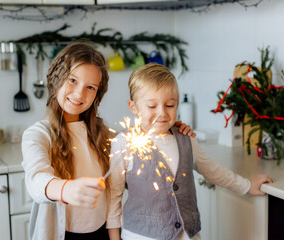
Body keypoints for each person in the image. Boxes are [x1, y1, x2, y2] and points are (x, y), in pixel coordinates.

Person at [21, 43, 194, 240]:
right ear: (56, 78)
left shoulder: (106, 135)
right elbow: (36, 180)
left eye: (90, 87)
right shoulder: (38, 135)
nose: (79, 93)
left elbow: (134, 173)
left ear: (97, 94)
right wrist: (64, 189)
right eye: (72, 80)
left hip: (103, 233)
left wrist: (169, 130)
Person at [107, 63, 274, 240]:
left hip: (188, 235)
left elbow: (211, 170)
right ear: (133, 107)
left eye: (170, 105)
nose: (162, 113)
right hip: (140, 236)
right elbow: (113, 195)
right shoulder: (123, 143)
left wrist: (246, 185)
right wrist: (114, 237)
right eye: (152, 106)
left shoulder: (186, 138)